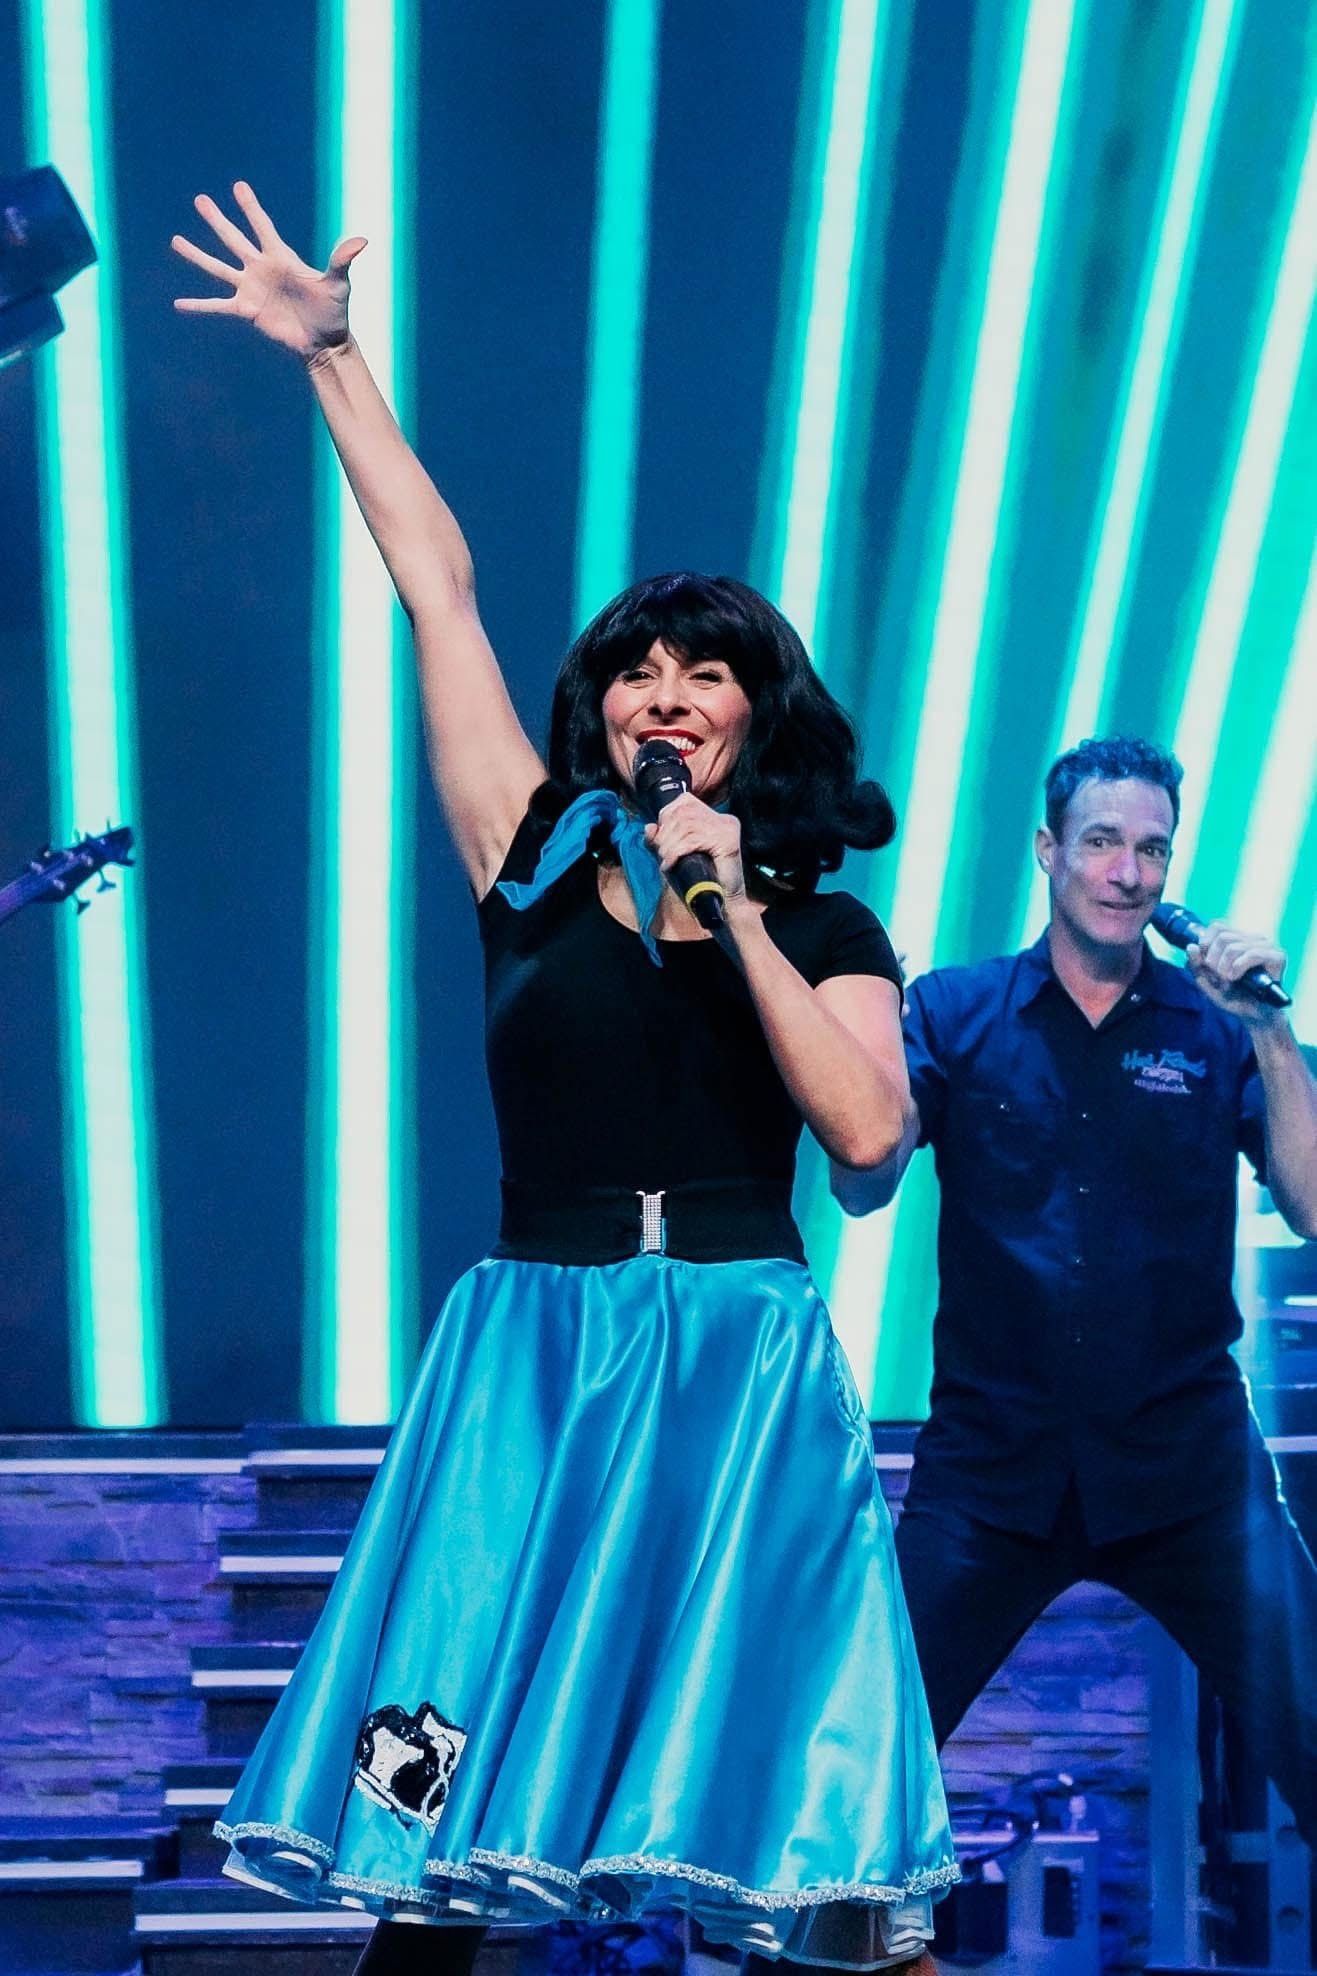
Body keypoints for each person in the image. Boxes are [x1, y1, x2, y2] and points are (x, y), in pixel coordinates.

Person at [172, 184, 957, 1975]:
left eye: (704, 676)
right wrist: (335, 359)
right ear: (598, 705)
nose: (663, 696)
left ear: (758, 718)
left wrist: (731, 905)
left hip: (738, 1372)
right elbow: (433, 582)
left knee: (808, 1843)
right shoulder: (515, 855)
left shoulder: (826, 923)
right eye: (636, 673)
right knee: (431, 1786)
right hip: (533, 1357)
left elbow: (863, 1143)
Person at [832, 735, 1317, 1846]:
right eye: (1102, 842)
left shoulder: (1217, 1024)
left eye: (1152, 849)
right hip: (995, 1472)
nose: (1128, 873)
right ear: (1050, 852)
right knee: (864, 1756)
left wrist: (1275, 1031)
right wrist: (852, 1043)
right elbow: (864, 1184)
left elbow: (1314, 1203)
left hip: (1187, 1467)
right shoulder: (956, 1010)